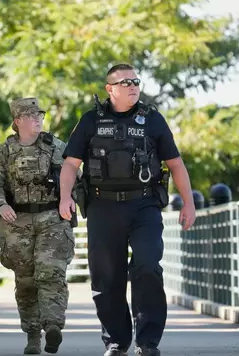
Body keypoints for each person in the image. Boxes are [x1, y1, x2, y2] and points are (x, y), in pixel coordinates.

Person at [57, 64, 197, 356]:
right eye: (125, 82)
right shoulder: (90, 121)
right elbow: (71, 164)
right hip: (102, 206)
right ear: (110, 89)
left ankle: (148, 343)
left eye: (136, 81)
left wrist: (189, 202)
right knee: (107, 276)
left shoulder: (153, 120)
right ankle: (117, 341)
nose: (133, 86)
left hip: (143, 204)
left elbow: (175, 164)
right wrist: (64, 197)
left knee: (147, 265)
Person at [0, 98, 76, 355]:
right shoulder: (4, 152)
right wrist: (0, 204)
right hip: (18, 222)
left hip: (52, 219)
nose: (37, 118)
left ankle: (53, 325)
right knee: (25, 281)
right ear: (17, 121)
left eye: (40, 114)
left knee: (51, 273)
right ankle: (33, 334)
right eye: (30, 115)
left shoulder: (56, 147)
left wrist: (70, 197)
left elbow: (75, 172)